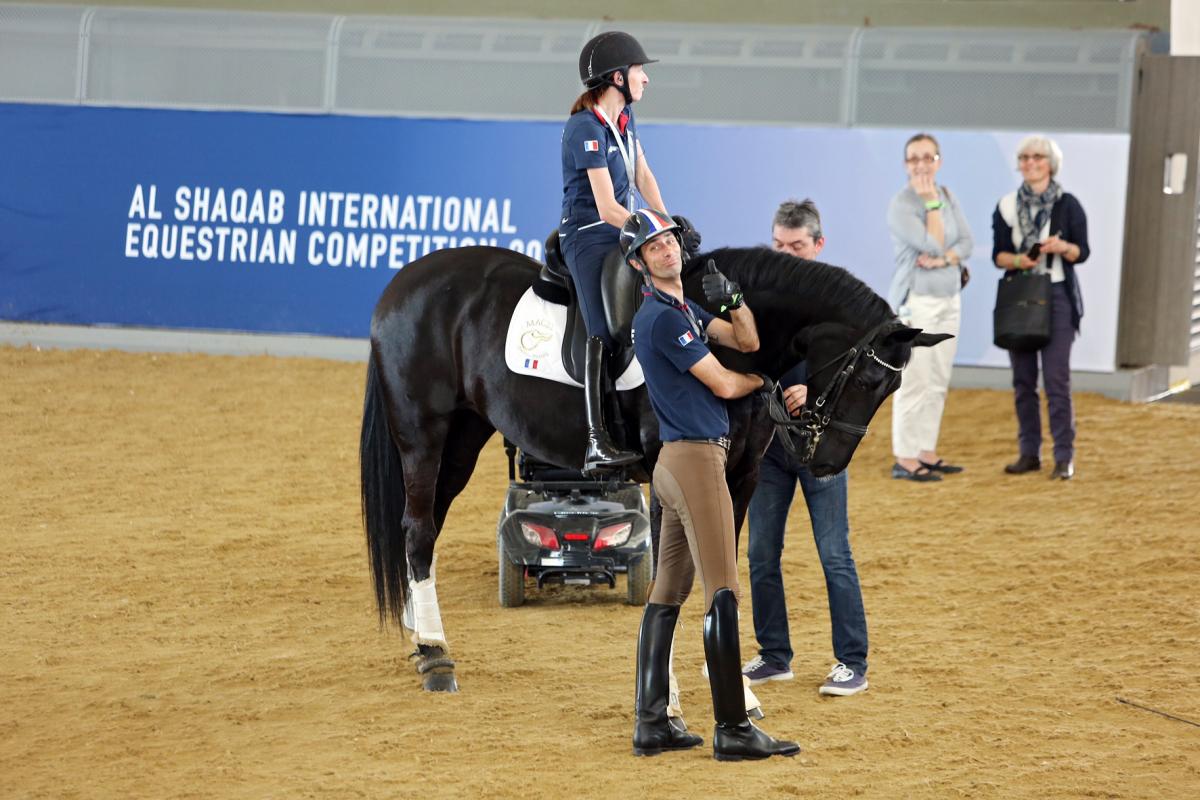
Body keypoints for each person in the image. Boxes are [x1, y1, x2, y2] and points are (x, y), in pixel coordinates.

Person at [624, 208, 799, 762]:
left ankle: (652, 721)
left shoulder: (683, 309)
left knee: (666, 593)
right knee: (722, 587)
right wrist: (765, 383)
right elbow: (727, 380)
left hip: (676, 466)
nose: (668, 250)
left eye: (670, 241)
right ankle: (733, 726)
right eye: (654, 247)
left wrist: (734, 302)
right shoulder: (662, 318)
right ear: (640, 262)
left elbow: (743, 340)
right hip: (696, 463)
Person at [742, 199, 869, 697]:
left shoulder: (844, 303)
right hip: (770, 446)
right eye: (777, 245)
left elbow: (866, 379)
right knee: (760, 553)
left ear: (819, 245)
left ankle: (852, 662)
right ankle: (774, 656)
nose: (785, 255)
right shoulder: (759, 301)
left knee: (834, 553)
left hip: (821, 448)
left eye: (795, 246)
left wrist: (817, 394)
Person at [561, 31, 695, 473]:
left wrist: (668, 223)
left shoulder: (625, 123)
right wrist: (651, 229)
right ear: (616, 77)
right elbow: (606, 206)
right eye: (640, 71)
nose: (645, 80)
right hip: (589, 235)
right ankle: (596, 440)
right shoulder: (585, 127)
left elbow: (644, 178)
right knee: (602, 327)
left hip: (624, 231)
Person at [992, 135, 1089, 480]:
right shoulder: (1006, 206)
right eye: (1024, 157)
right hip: (1019, 296)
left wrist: (1062, 247)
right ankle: (1029, 452)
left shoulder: (1068, 204)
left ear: (1050, 163)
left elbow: (1083, 252)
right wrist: (1022, 258)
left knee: (1057, 381)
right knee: (1023, 382)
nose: (1030, 162)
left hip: (1058, 296)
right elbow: (998, 255)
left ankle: (1064, 456)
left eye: (1038, 157)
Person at [885, 133, 974, 482]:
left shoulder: (948, 195)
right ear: (906, 164)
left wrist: (945, 260)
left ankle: (926, 450)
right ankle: (905, 458)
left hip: (950, 297)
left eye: (927, 157)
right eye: (913, 158)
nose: (921, 164)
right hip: (916, 301)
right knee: (915, 380)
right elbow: (933, 242)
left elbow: (965, 242)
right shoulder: (902, 204)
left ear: (938, 160)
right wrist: (931, 206)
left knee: (938, 378)